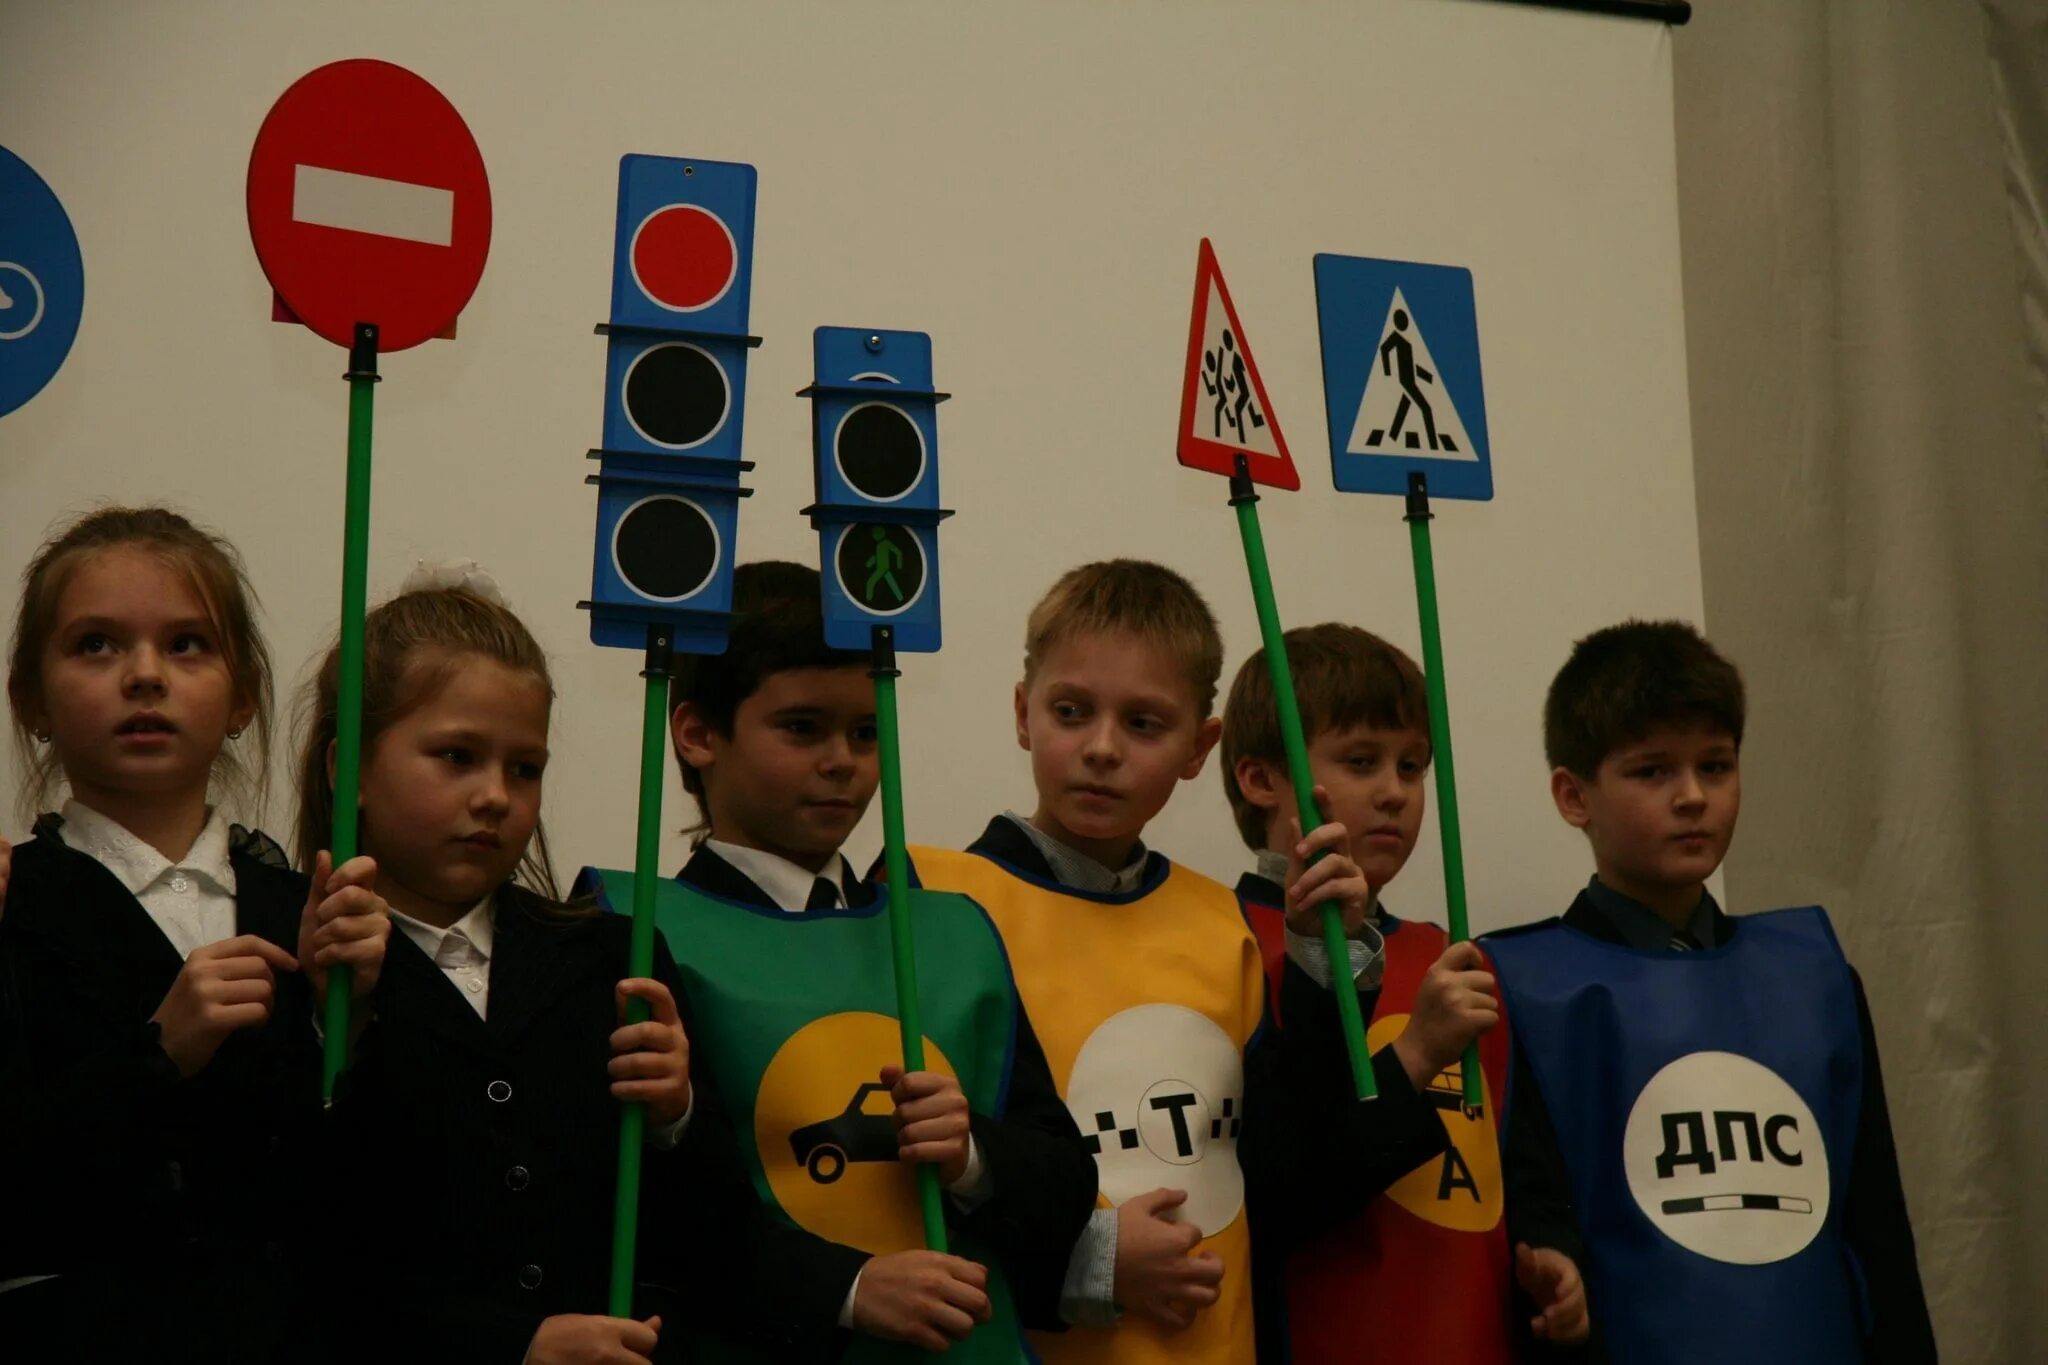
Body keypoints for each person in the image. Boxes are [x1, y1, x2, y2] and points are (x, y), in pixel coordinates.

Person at [580, 560, 1097, 1362]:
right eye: (802, 727)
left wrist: (971, 1156)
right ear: (697, 733)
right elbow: (652, 1224)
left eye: (864, 731)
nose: (843, 761)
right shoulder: (631, 929)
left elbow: (1064, 1184)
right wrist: (848, 1289)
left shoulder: (952, 932)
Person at [1487, 619, 1937, 1364]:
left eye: (1716, 765)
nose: (1694, 796)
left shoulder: (1815, 976)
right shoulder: (1523, 989)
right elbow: (1536, 1222)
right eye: (1653, 771)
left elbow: (1876, 1228)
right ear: (1574, 795)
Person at [0, 506, 388, 1363]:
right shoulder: (12, 906)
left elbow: (384, 1197)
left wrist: (346, 1020)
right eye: (96, 644)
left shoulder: (317, 914)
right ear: (28, 697)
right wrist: (158, 1051)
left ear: (244, 692)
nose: (144, 675)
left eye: (186, 645)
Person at [1222, 622, 1529, 1363]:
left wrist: (1550, 1253)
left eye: (1413, 765)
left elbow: (1515, 1170)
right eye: (1362, 762)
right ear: (1261, 778)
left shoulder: (1451, 955)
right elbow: (1277, 1190)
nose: (1395, 792)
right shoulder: (1222, 943)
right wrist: (1416, 1053)